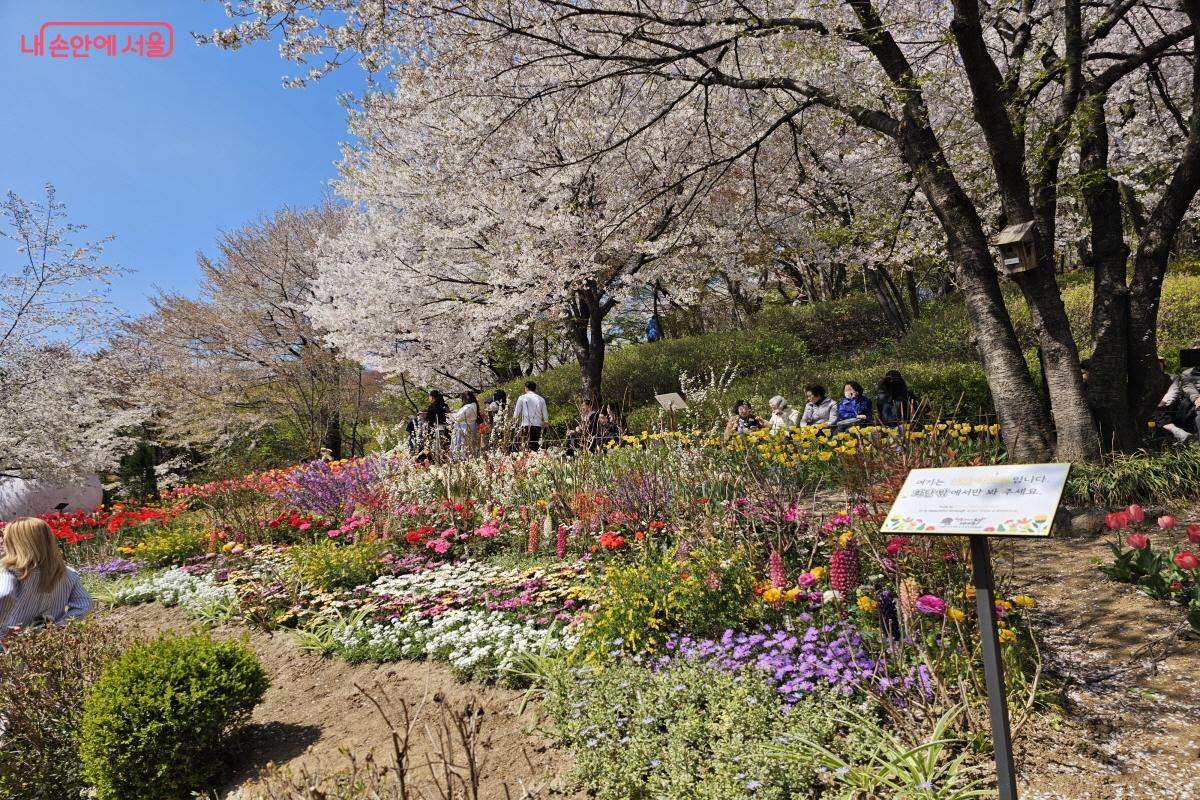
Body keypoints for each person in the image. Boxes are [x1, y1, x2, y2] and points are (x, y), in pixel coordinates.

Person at [1, 517, 93, 639]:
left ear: (15, 544)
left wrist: (3, 633)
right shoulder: (67, 573)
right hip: (45, 643)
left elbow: (4, 594)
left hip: (9, 645)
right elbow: (85, 604)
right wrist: (58, 626)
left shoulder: (9, 572)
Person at [512, 381, 550, 451]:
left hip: (526, 424)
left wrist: (514, 420)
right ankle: (536, 457)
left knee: (526, 444)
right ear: (535, 389)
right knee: (535, 443)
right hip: (537, 424)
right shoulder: (541, 399)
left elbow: (517, 411)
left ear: (526, 388)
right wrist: (546, 422)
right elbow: (545, 413)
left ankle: (528, 458)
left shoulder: (522, 398)